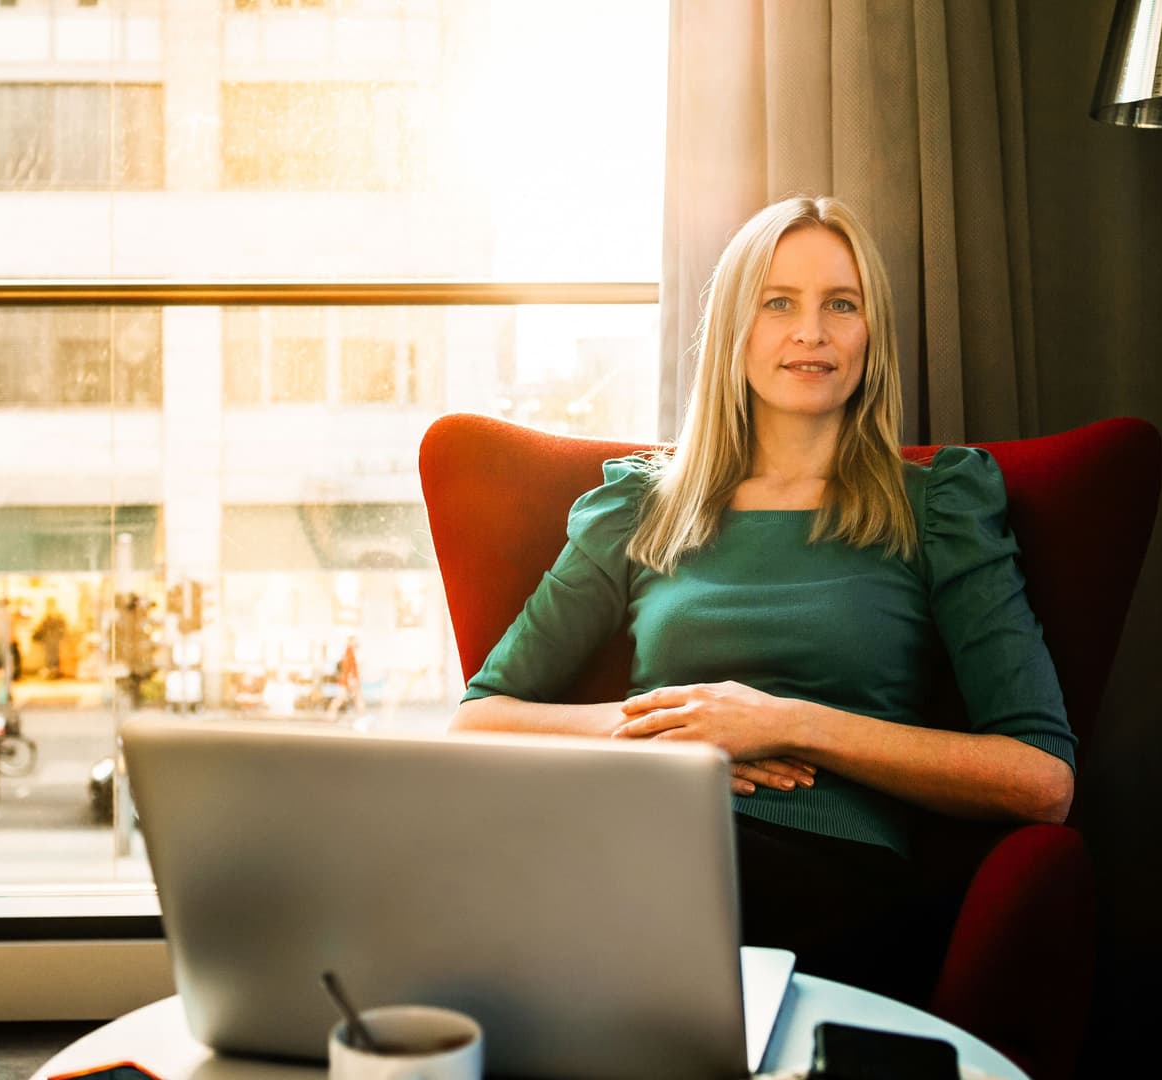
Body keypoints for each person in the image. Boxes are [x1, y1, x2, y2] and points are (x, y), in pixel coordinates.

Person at [451, 196, 1076, 1002]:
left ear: (869, 334)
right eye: (778, 302)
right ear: (735, 331)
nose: (810, 331)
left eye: (840, 305)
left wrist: (787, 723)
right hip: (632, 839)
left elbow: (1041, 780)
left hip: (826, 877)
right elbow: (480, 717)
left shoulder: (940, 508)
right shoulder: (641, 508)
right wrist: (667, 729)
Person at [326, 635, 363, 723]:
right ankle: (331, 714)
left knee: (353, 698)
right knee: (347, 698)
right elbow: (348, 670)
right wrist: (352, 680)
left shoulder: (350, 653)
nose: (357, 643)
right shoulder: (349, 654)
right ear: (350, 642)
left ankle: (331, 714)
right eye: (355, 641)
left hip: (349, 681)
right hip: (349, 681)